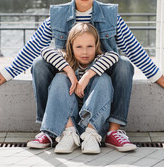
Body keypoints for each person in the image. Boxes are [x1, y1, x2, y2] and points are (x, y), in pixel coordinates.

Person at [0, 0, 164, 152]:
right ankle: (50, 130)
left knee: (124, 65)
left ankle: (114, 131)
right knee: (39, 65)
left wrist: (156, 75)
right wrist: (7, 72)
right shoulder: (57, 15)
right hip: (66, 72)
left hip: (100, 74)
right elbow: (34, 46)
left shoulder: (111, 16)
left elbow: (133, 47)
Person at [30, 23, 118, 154]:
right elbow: (45, 51)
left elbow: (114, 56)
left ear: (96, 46)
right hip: (66, 123)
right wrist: (69, 71)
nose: (84, 52)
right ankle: (69, 135)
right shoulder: (65, 59)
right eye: (79, 47)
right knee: (60, 78)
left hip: (92, 123)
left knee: (104, 79)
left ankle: (91, 136)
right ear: (71, 46)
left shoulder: (100, 59)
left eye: (90, 46)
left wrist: (88, 75)